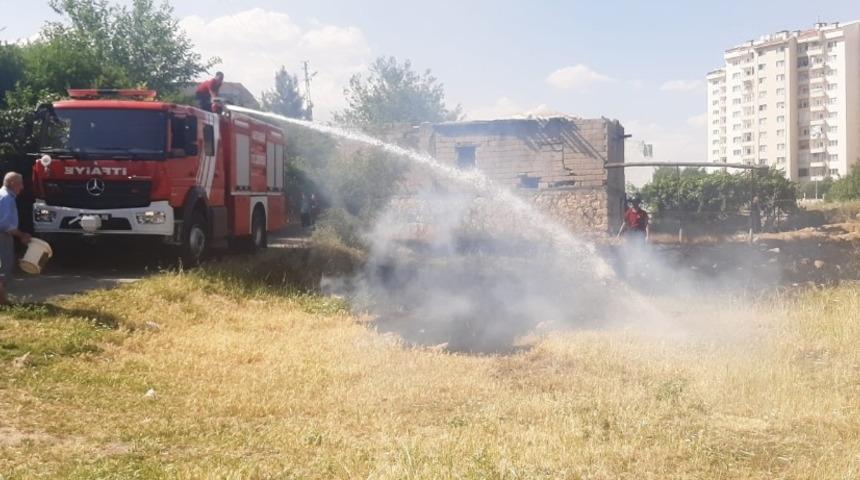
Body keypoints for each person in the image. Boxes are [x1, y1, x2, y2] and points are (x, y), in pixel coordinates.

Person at [0, 172, 31, 305]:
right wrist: (22, 235)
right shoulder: (7, 198)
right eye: (20, 184)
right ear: (12, 183)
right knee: (3, 270)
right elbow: (5, 225)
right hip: (2, 237)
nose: (22, 187)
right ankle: (2, 303)